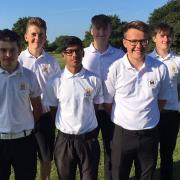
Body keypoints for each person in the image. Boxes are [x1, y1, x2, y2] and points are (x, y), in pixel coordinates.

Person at [103, 21, 171, 180]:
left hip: (150, 134)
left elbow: (162, 100)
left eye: (143, 41)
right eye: (133, 41)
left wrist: (146, 117)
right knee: (119, 175)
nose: (138, 45)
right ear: (125, 42)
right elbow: (107, 103)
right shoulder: (115, 68)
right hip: (122, 134)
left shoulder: (160, 68)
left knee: (146, 176)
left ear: (148, 41)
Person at [43, 36, 104, 180]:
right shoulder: (55, 81)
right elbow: (53, 110)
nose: (74, 55)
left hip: (89, 139)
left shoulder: (94, 79)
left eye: (77, 51)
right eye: (69, 52)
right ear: (63, 54)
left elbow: (96, 107)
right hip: (65, 141)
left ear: (83, 53)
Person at [82, 14, 124, 180]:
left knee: (111, 149)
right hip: (89, 110)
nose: (101, 32)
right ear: (92, 31)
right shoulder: (83, 54)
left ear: (109, 31)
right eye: (97, 28)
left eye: (104, 28)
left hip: (111, 109)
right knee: (89, 150)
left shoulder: (119, 54)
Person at [18, 17, 61, 180]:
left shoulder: (52, 62)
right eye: (33, 34)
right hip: (22, 118)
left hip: (44, 117)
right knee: (24, 159)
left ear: (45, 37)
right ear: (26, 37)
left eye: (41, 35)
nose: (37, 38)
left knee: (46, 157)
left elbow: (57, 91)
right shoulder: (18, 60)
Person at [0, 29, 42, 180]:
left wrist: (24, 124)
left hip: (24, 142)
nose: (8, 55)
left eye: (12, 50)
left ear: (19, 50)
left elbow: (37, 107)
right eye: (3, 50)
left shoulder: (29, 76)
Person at [149, 23, 180, 180]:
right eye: (162, 35)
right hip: (151, 115)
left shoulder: (178, 60)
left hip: (171, 114)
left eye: (168, 36)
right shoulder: (146, 60)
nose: (166, 39)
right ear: (154, 38)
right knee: (150, 156)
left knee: (167, 154)